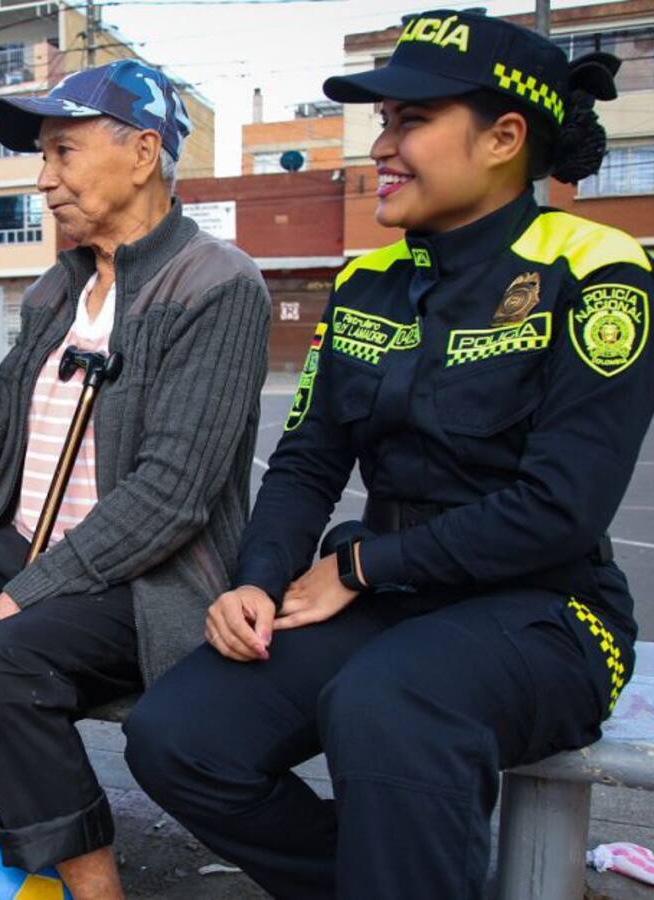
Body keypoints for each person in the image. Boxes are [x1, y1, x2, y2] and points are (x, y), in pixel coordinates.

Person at [123, 11, 654, 900]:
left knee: (391, 703)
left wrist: (363, 567)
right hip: (388, 597)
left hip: (549, 612)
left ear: (504, 137)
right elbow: (305, 462)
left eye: (411, 121)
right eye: (383, 123)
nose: (383, 145)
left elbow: (563, 506)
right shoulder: (368, 282)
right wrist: (255, 579)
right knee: (179, 735)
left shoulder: (596, 271)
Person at [0, 60, 270, 899]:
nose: (44, 180)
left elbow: (172, 494)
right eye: (44, 156)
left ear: (143, 152)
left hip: (144, 575)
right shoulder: (57, 289)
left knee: (1, 660)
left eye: (63, 152)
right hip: (30, 545)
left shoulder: (217, 285)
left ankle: (92, 887)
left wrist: (22, 595)